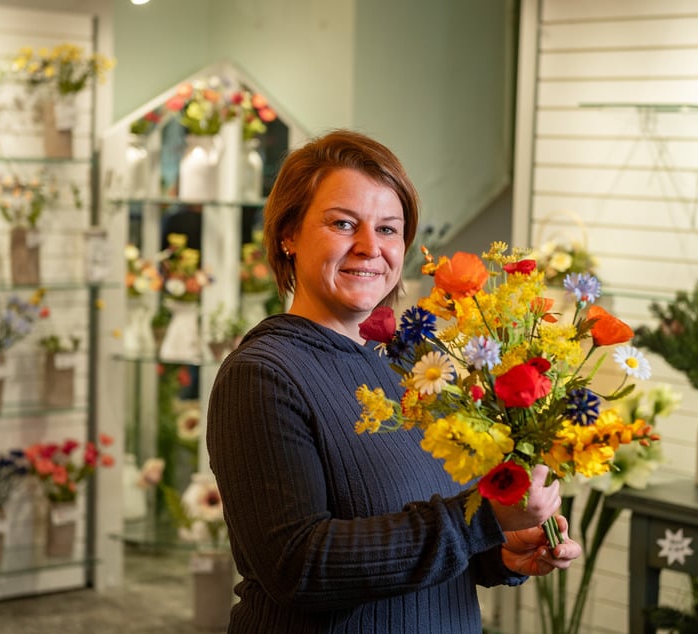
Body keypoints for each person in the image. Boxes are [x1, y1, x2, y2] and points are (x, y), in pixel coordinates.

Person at [207, 129, 582, 632]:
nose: (370, 247)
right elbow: (297, 566)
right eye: (343, 224)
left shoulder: (408, 364)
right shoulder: (262, 376)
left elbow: (425, 540)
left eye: (388, 229)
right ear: (288, 235)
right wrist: (482, 521)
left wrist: (501, 552)